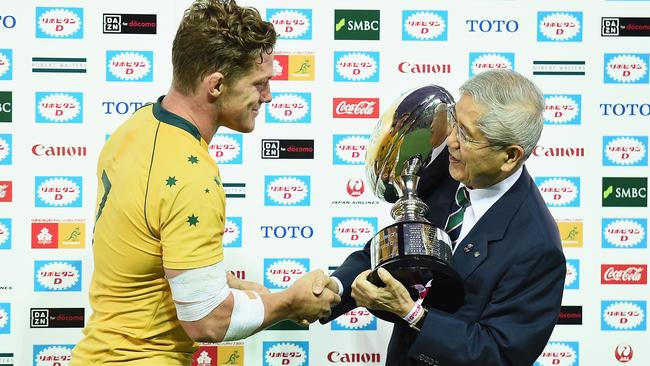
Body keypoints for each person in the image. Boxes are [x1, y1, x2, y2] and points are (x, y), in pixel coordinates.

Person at [71, 1, 339, 364]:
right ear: (216, 84)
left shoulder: (138, 127)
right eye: (259, 84)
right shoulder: (190, 173)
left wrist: (234, 286)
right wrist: (290, 302)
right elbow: (207, 322)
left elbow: (150, 253)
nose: (268, 96)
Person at [322, 69, 567, 365]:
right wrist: (333, 290)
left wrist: (413, 315)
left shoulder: (538, 247)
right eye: (454, 122)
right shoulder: (447, 168)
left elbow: (498, 354)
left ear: (510, 156)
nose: (450, 140)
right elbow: (395, 248)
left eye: (467, 135)